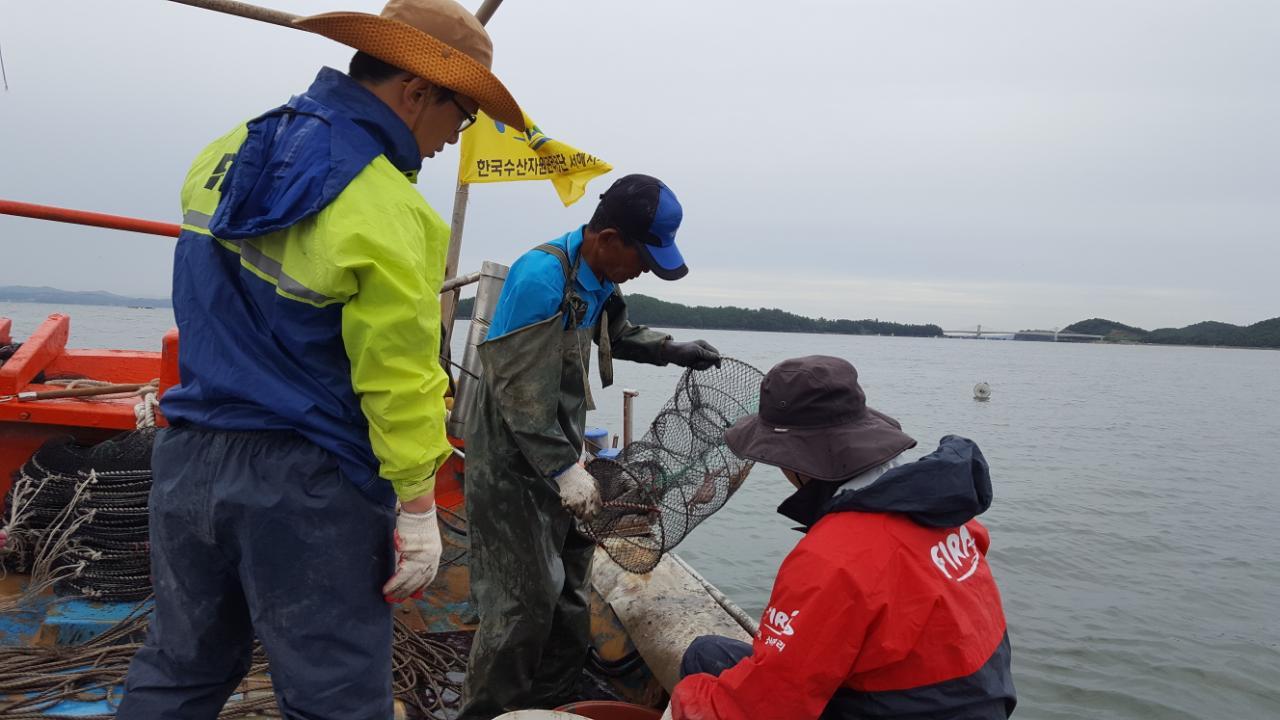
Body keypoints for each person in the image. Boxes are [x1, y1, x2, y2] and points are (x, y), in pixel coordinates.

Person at [117, 2, 525, 718]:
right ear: (415, 91)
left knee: (179, 671)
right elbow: (397, 376)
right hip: (306, 486)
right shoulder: (390, 208)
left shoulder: (227, 148)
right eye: (459, 120)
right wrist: (419, 503)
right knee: (334, 696)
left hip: (186, 461)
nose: (447, 144)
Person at [460, 174, 723, 719]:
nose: (643, 270)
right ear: (608, 237)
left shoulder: (600, 275)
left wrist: (669, 349)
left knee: (568, 588)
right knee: (520, 603)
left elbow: (616, 333)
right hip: (511, 458)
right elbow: (516, 396)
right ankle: (489, 713)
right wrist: (564, 472)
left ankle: (553, 703)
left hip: (560, 450)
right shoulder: (542, 276)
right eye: (642, 260)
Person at [665, 356, 1017, 720]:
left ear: (796, 461)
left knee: (702, 663)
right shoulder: (949, 510)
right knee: (713, 653)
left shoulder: (832, 557)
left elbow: (765, 708)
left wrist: (689, 699)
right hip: (980, 704)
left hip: (902, 710)